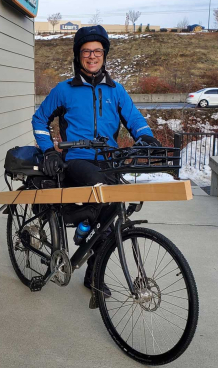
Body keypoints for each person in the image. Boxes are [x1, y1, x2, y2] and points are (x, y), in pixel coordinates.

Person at [31, 25, 160, 294]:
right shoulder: (64, 90)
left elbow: (135, 119)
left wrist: (146, 137)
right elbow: (40, 119)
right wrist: (49, 150)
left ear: (104, 55)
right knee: (102, 193)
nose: (92, 56)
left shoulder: (116, 90)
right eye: (86, 51)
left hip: (109, 159)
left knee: (111, 214)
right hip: (77, 159)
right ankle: (83, 224)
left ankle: (92, 273)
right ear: (78, 56)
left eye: (97, 51)